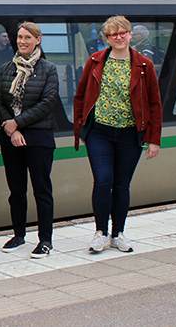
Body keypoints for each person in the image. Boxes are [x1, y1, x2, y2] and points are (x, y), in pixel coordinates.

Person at [73, 15, 161, 254]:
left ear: (130, 35)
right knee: (102, 181)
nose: (119, 37)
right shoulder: (95, 61)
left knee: (122, 185)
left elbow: (154, 103)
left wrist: (154, 139)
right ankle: (100, 233)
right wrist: (81, 127)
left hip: (130, 134)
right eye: (113, 34)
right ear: (107, 38)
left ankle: (117, 233)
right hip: (99, 133)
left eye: (123, 33)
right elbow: (80, 96)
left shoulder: (144, 65)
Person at [0, 22, 58, 258]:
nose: (22, 42)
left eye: (28, 38)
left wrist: (18, 124)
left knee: (42, 190)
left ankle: (45, 240)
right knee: (16, 190)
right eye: (20, 37)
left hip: (39, 138)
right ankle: (19, 234)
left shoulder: (49, 69)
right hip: (11, 138)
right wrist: (12, 130)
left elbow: (47, 103)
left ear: (38, 40)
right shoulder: (7, 68)